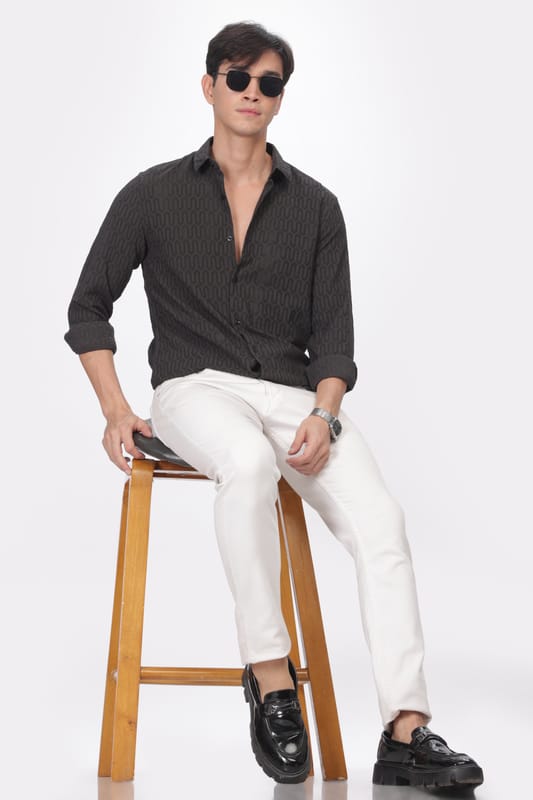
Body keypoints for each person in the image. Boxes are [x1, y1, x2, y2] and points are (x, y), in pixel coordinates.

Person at [64, 21, 484, 790]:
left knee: (381, 522)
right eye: (237, 78)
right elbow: (88, 307)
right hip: (194, 387)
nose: (252, 93)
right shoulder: (153, 193)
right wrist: (116, 408)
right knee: (248, 464)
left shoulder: (316, 207)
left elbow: (334, 343)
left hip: (296, 398)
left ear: (281, 98)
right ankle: (270, 679)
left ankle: (404, 729)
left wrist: (324, 414)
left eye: (268, 83)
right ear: (209, 87)